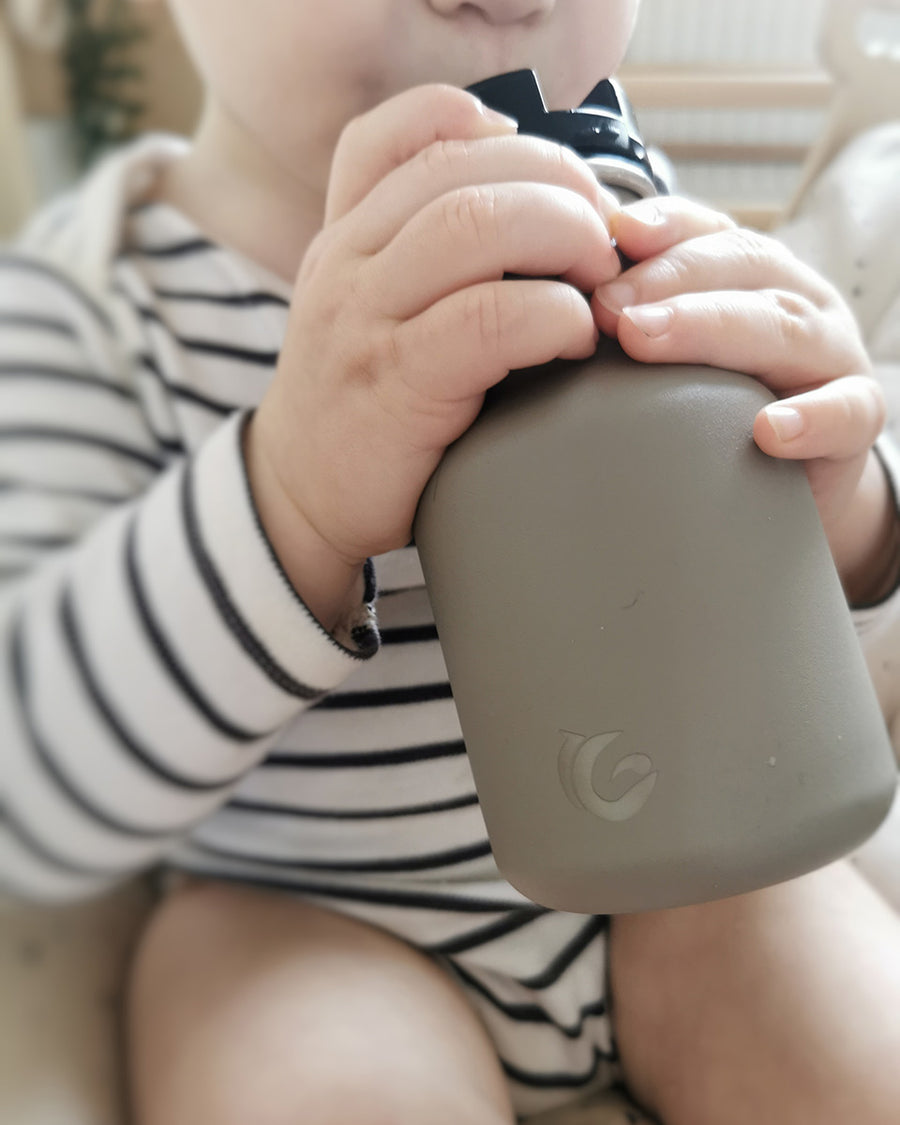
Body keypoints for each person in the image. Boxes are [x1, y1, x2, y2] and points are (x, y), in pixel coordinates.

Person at [3, 1, 900, 1122]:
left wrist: (845, 501)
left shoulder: (630, 208)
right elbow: (29, 775)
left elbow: (791, 641)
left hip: (689, 876)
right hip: (311, 919)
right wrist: (286, 491)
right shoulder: (92, 300)